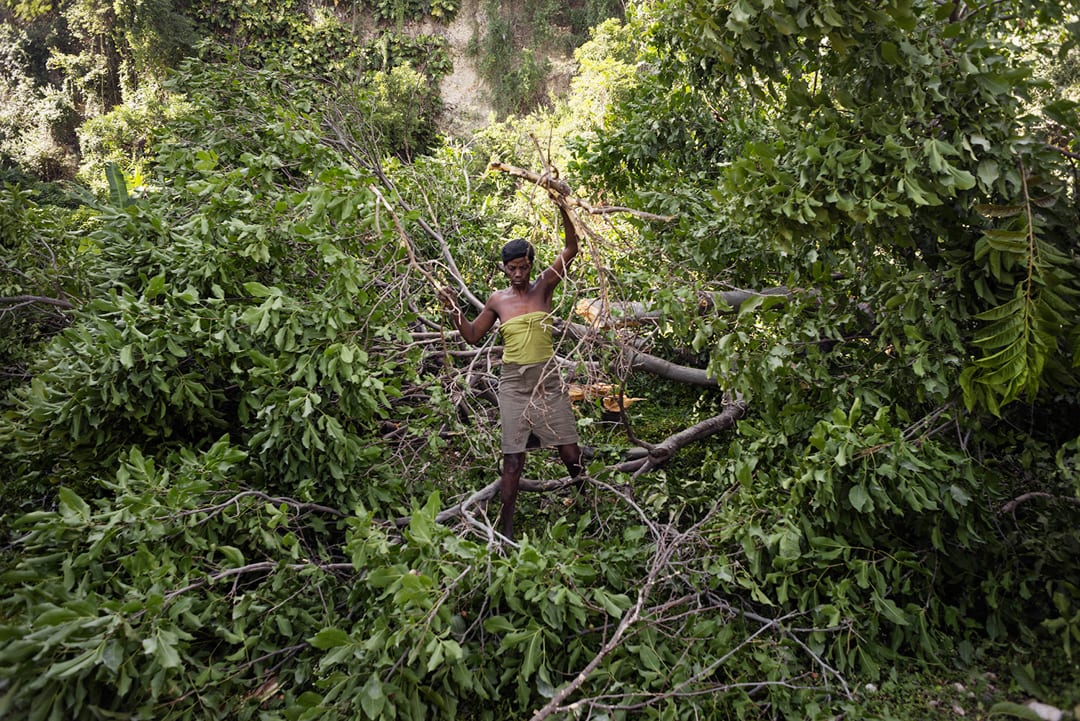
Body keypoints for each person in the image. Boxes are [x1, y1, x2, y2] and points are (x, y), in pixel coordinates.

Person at [440, 203, 583, 539]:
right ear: (504, 269)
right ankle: (506, 532)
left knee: (569, 452)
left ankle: (584, 500)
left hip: (547, 382)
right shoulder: (498, 300)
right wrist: (451, 310)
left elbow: (572, 247)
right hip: (514, 385)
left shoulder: (544, 286)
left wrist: (562, 204)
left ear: (531, 264)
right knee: (513, 463)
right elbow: (473, 336)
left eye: (523, 266)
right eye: (512, 268)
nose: (518, 274)